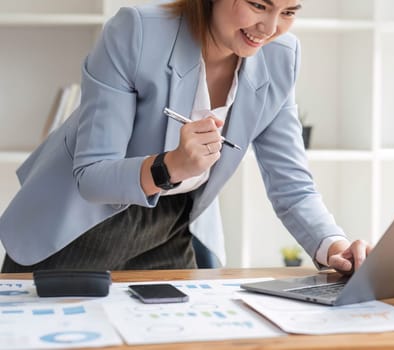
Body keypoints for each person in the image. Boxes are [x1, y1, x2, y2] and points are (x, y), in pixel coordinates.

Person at [0, 0, 372, 273]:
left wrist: (334, 247)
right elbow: (93, 175)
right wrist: (171, 166)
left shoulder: (281, 56)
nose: (270, 27)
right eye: (259, 5)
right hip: (74, 227)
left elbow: (293, 186)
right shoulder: (137, 30)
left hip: (171, 229)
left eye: (289, 12)